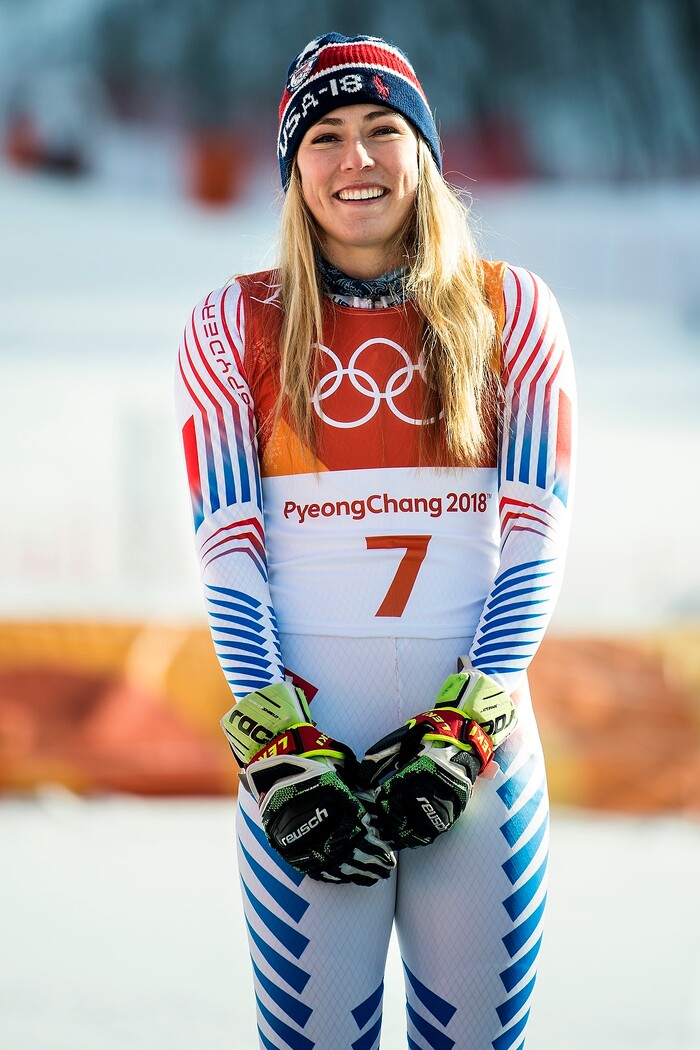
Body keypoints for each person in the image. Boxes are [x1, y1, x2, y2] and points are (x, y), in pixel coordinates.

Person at [175, 32, 576, 1050]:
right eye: (326, 136)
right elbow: (231, 557)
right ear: (291, 168)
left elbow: (534, 541)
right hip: (311, 765)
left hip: (475, 761)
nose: (355, 159)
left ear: (423, 151)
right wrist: (278, 750)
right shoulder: (231, 325)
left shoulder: (512, 308)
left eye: (382, 130)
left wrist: (463, 729)